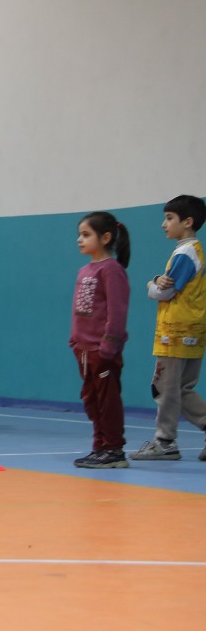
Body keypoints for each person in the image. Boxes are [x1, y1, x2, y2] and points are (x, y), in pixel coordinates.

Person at [129, 194, 206, 462]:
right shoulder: (195, 251)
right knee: (183, 388)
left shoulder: (184, 252)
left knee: (164, 388)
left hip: (174, 332)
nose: (164, 224)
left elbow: (166, 291)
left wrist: (151, 284)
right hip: (193, 331)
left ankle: (164, 441)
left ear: (187, 222)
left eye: (169, 218)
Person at [69, 212, 131, 469]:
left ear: (105, 237)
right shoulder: (85, 269)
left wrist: (109, 345)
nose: (79, 240)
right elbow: (79, 311)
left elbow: (117, 312)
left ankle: (114, 449)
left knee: (107, 400)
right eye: (79, 234)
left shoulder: (112, 270)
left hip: (102, 351)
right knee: (91, 400)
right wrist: (75, 341)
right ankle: (99, 446)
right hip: (83, 349)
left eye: (86, 235)